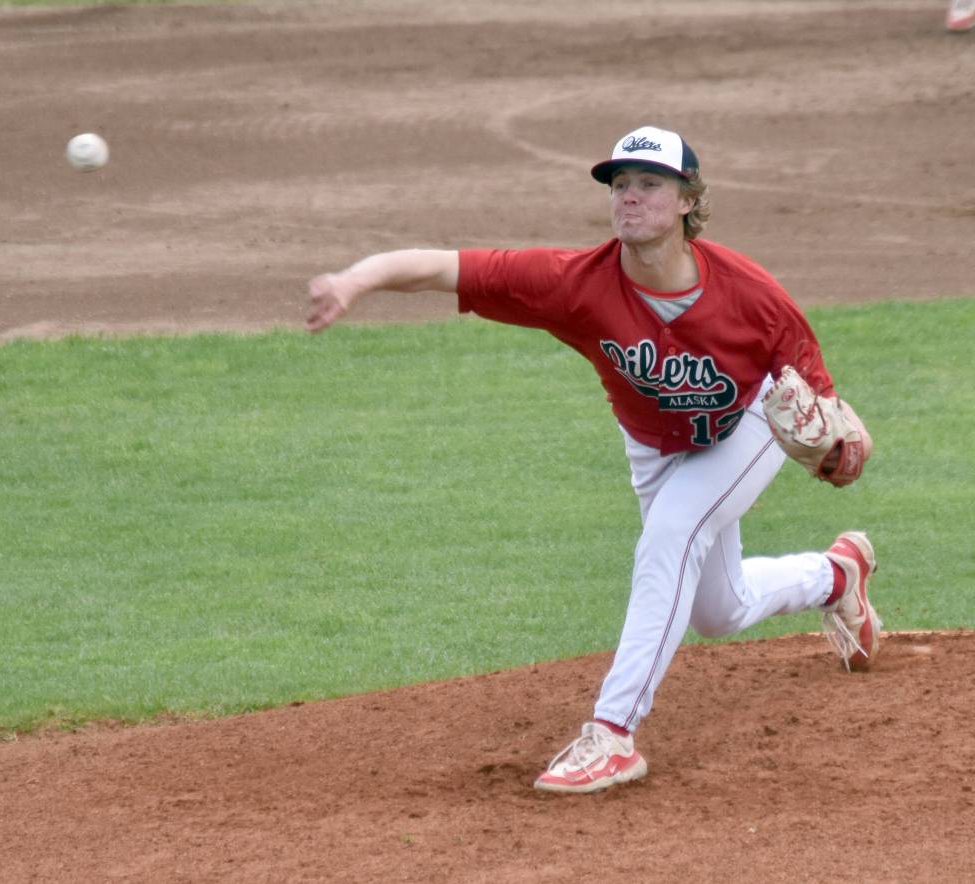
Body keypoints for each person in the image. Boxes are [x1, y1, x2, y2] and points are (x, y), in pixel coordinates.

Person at [305, 125, 880, 795]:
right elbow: (443, 267)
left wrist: (845, 454)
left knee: (672, 535)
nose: (629, 197)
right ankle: (837, 576)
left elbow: (828, 410)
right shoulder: (573, 283)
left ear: (689, 202)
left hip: (742, 429)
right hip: (653, 448)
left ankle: (613, 733)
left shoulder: (754, 295)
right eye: (621, 184)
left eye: (649, 184)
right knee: (717, 611)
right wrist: (355, 279)